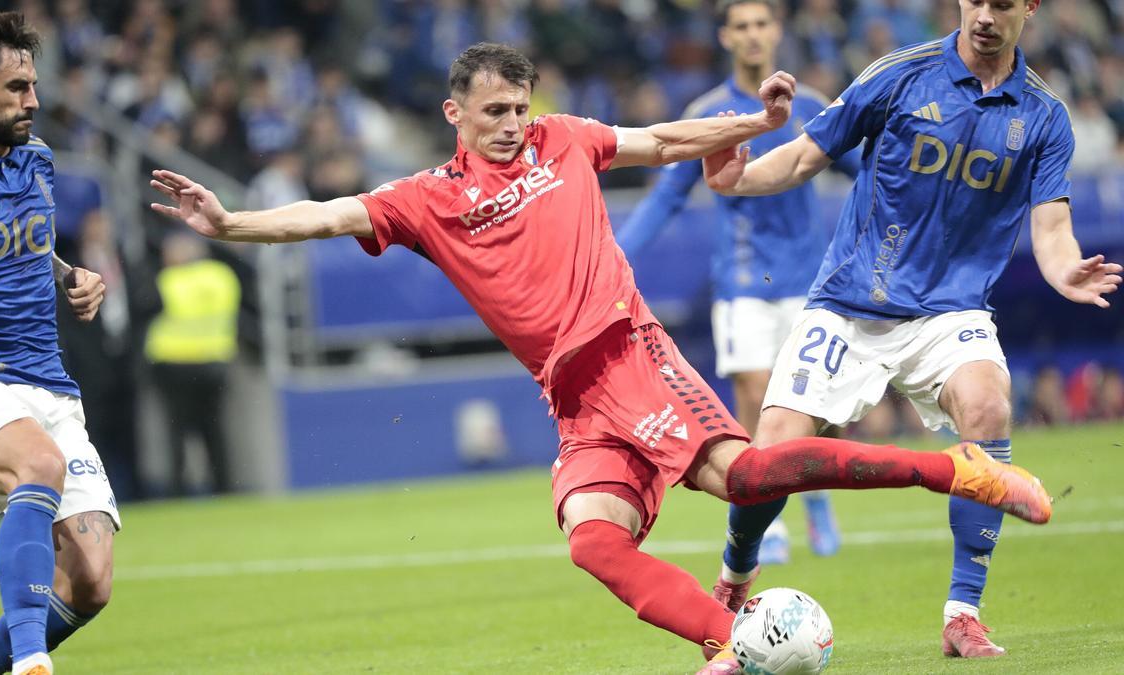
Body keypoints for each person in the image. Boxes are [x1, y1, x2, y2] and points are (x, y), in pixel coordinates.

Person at [149, 42, 1052, 674]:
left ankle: (955, 469)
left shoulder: (563, 140)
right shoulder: (425, 199)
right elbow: (329, 212)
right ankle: (725, 640)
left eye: (518, 107)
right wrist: (229, 223)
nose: (510, 124)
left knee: (745, 478)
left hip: (628, 348)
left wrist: (754, 121)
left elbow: (661, 142)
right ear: (453, 113)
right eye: (493, 111)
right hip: (572, 395)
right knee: (593, 539)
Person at [701, 0, 1121, 659]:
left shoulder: (1044, 115)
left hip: (949, 312)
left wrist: (1065, 269)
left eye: (1003, 4)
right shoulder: (897, 74)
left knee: (987, 402)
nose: (986, 14)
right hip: (849, 302)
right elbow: (808, 155)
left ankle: (963, 611)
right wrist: (739, 179)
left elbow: (1050, 224)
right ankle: (736, 570)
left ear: (1030, 8)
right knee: (770, 459)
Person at [616, 0, 857, 569]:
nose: (752, 35)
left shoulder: (815, 108)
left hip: (808, 279)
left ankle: (815, 497)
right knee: (754, 388)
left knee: (806, 402)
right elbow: (668, 195)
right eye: (741, 26)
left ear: (776, 32)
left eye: (761, 24)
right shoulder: (707, 114)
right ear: (726, 37)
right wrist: (616, 256)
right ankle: (764, 507)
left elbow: (863, 168)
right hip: (743, 281)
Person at [0, 13, 119, 675]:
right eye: (16, 87)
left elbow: (26, 242)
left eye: (32, 84)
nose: (33, 100)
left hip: (47, 376)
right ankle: (32, 661)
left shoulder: (37, 159)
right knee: (37, 464)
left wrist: (72, 276)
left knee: (91, 580)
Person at [144, 233, 241, 496]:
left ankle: (177, 490)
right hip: (215, 360)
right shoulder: (222, 276)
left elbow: (149, 310)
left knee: (176, 433)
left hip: (175, 363)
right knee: (216, 431)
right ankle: (224, 487)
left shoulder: (167, 280)